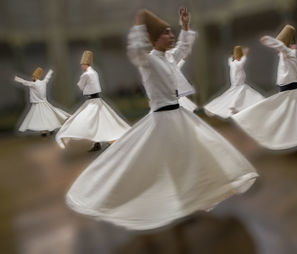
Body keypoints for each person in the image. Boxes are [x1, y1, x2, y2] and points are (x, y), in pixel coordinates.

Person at [65, 8, 258, 230]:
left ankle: (190, 198)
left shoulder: (168, 58)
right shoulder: (148, 61)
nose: (171, 35)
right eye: (167, 32)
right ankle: (173, 201)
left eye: (170, 31)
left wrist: (184, 25)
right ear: (156, 39)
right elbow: (135, 50)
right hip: (162, 119)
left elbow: (184, 49)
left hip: (178, 116)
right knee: (166, 162)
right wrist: (139, 26)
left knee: (192, 157)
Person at [231, 25, 297, 150]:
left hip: (291, 92)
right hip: (286, 91)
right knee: (290, 117)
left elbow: (281, 46)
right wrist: (289, 37)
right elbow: (289, 46)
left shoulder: (288, 53)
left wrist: (269, 40)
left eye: (280, 45)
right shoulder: (289, 52)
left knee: (287, 115)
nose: (278, 49)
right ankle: (296, 139)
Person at [55, 50, 130, 151]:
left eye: (83, 64)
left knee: (85, 120)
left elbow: (80, 86)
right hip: (97, 100)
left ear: (85, 64)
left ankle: (106, 140)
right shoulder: (94, 72)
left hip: (92, 101)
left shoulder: (86, 74)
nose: (82, 66)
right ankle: (98, 142)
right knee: (100, 121)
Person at [204, 46, 264, 118]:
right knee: (243, 94)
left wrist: (235, 54)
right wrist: (245, 54)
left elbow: (232, 58)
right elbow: (243, 60)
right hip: (239, 83)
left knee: (234, 95)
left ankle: (234, 108)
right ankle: (234, 108)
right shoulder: (238, 63)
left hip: (236, 83)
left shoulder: (231, 62)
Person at [14, 67, 70, 135]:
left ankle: (44, 131)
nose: (32, 78)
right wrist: (50, 71)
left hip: (38, 104)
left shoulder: (34, 84)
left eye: (33, 76)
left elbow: (25, 82)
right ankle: (50, 129)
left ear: (35, 77)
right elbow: (47, 78)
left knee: (40, 118)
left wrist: (16, 79)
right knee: (47, 116)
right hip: (44, 103)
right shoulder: (43, 82)